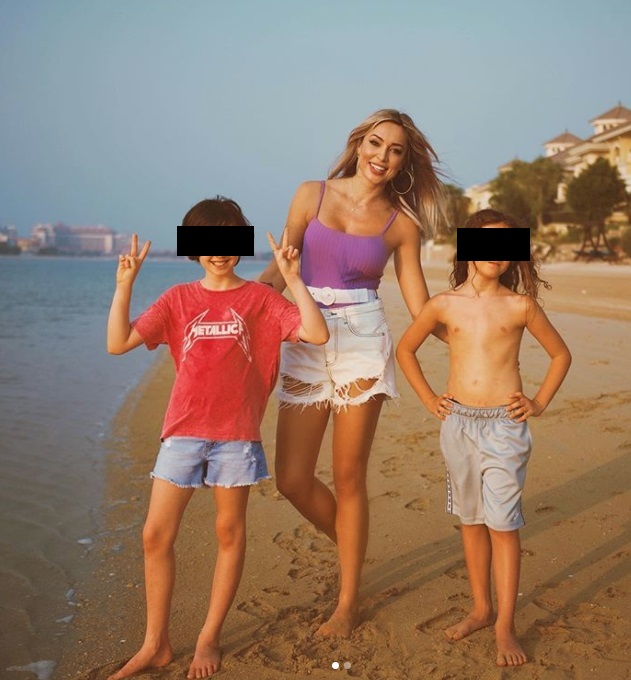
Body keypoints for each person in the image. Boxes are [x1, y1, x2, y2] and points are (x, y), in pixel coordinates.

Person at [105, 197, 329, 679]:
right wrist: (124, 286)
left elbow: (316, 334)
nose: (219, 250)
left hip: (236, 438)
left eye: (229, 239)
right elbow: (117, 343)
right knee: (154, 535)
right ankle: (155, 643)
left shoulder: (261, 300)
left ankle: (209, 637)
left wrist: (293, 279)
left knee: (229, 532)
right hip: (182, 433)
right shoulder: (177, 299)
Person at [259, 109, 448, 637]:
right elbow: (279, 269)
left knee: (349, 475)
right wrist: (237, 311)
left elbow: (420, 305)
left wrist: (469, 333)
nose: (382, 156)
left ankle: (348, 602)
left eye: (395, 150)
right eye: (375, 143)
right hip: (305, 330)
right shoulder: (310, 194)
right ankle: (353, 549)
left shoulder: (402, 224)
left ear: (404, 162)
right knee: (292, 478)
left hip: (363, 338)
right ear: (359, 144)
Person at [396, 208, 572, 667]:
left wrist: (538, 402)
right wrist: (429, 398)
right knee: (471, 520)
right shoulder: (443, 304)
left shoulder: (520, 306)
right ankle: (480, 608)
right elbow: (405, 349)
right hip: (458, 424)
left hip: (504, 427)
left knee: (503, 524)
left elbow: (560, 355)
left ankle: (505, 625)